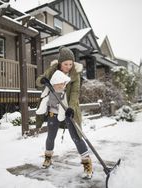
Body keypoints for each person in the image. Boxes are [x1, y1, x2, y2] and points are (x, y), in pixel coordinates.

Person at [35, 46, 93, 179]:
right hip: (53, 110)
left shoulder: (75, 75)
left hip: (68, 110)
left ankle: (87, 163)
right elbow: (39, 81)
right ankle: (48, 157)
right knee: (51, 136)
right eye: (65, 64)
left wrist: (71, 107)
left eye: (70, 64)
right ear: (60, 63)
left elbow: (74, 92)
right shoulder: (53, 70)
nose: (68, 66)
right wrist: (43, 80)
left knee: (76, 137)